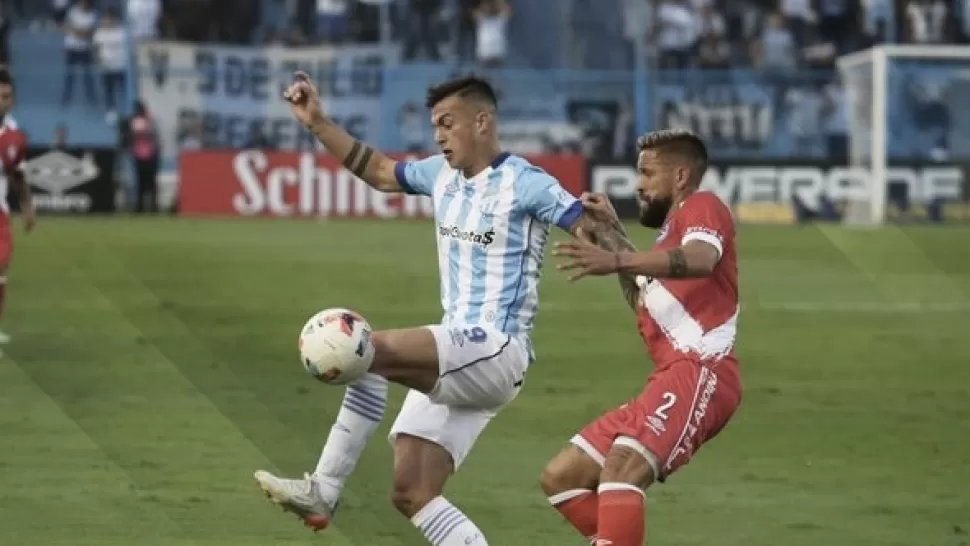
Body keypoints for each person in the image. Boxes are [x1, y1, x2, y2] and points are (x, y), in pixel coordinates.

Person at [253, 72, 630, 545]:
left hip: (497, 347)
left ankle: (323, 489)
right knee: (412, 491)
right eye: (434, 126)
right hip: (460, 353)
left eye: (447, 123)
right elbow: (380, 171)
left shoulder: (525, 182)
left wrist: (623, 253)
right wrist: (317, 122)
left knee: (364, 347)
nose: (438, 135)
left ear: (481, 122)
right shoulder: (441, 175)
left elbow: (590, 230)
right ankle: (323, 493)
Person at [542, 129, 743, 546]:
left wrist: (616, 257)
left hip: (702, 371)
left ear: (682, 176)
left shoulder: (704, 206)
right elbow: (644, 298)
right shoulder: (666, 240)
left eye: (648, 173)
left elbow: (702, 259)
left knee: (620, 471)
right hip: (670, 376)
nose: (639, 185)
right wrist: (611, 234)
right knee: (563, 477)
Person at [0, 68, 37, 345]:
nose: (5, 101)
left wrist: (26, 205)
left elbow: (16, 174)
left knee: (1, 267)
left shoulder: (14, 136)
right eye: (1, 96)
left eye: (8, 96)